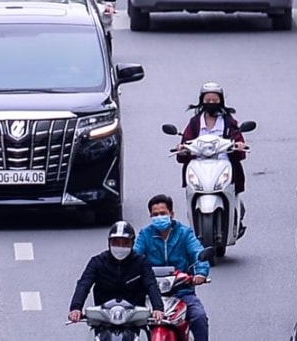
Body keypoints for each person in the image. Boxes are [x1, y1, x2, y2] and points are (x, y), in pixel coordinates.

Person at [136, 196, 210, 341]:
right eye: (155, 215)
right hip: (151, 294)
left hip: (181, 292)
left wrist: (200, 272)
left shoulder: (185, 233)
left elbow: (197, 253)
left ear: (172, 214)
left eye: (163, 213)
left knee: (199, 316)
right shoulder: (145, 235)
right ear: (150, 216)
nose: (159, 217)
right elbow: (134, 257)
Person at [67, 222, 163, 324]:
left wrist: (158, 308)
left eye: (125, 243)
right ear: (109, 243)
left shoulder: (141, 262)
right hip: (104, 319)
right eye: (116, 242)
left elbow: (151, 284)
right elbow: (84, 284)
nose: (120, 247)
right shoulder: (97, 262)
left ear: (132, 243)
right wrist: (76, 308)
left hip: (134, 319)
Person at [178, 83, 248, 195]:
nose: (211, 103)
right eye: (208, 100)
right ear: (202, 101)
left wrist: (239, 145)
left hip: (224, 165)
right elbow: (186, 142)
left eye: (214, 100)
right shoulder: (194, 123)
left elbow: (238, 139)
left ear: (220, 101)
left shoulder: (229, 122)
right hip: (199, 166)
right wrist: (182, 149)